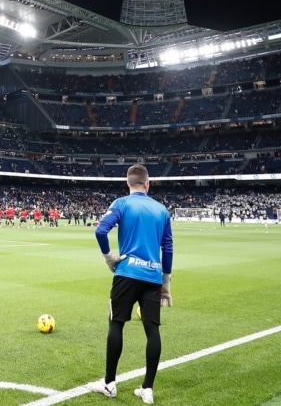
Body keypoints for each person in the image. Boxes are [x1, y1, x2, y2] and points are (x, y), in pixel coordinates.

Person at [90, 164, 174, 404]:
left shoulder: (121, 204)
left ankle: (109, 384)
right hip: (152, 276)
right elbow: (168, 247)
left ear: (128, 183)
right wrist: (165, 281)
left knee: (116, 323)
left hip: (126, 273)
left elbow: (100, 231)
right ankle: (147, 388)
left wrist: (109, 257)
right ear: (147, 183)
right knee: (152, 329)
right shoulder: (162, 210)